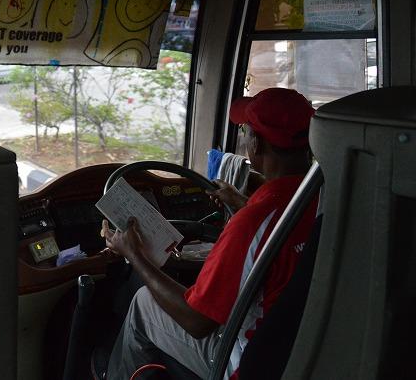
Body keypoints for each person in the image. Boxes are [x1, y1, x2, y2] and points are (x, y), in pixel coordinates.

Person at [103, 88, 318, 380]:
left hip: (248, 364)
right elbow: (281, 232)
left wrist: (135, 255)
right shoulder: (323, 200)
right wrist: (243, 204)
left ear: (256, 143)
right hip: (302, 352)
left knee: (144, 301)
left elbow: (198, 321)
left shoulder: (251, 224)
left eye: (245, 131)